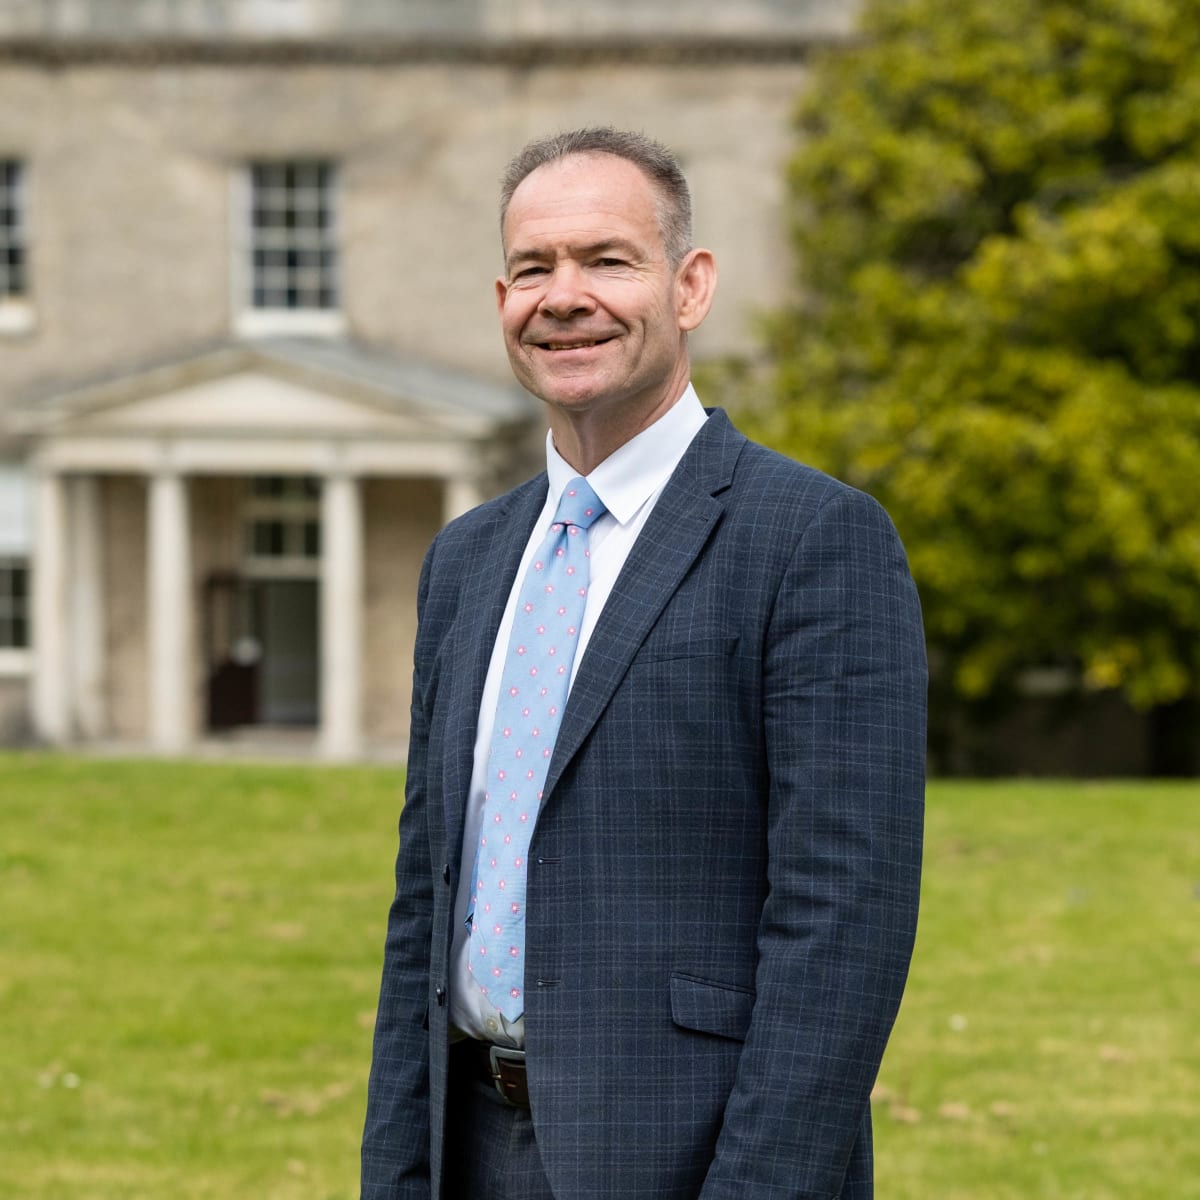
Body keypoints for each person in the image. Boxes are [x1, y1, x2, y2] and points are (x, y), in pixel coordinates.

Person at [361, 126, 927, 1200]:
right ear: (501, 301)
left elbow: (841, 929)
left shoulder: (812, 539)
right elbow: (420, 915)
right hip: (467, 1152)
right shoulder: (468, 560)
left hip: (690, 1161)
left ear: (690, 286)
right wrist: (396, 1171)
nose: (563, 296)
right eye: (534, 268)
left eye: (608, 260)